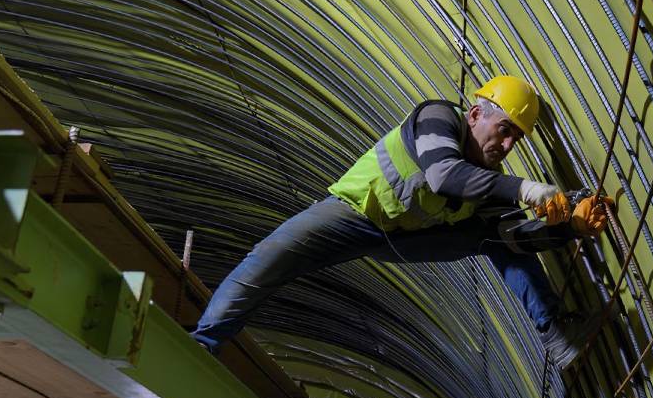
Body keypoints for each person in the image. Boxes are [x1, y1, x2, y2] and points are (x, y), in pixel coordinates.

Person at [191, 75, 612, 369]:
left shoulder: (492, 183)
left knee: (497, 236)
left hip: (406, 239)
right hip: (354, 215)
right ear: (474, 115)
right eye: (504, 129)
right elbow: (443, 174)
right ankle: (203, 345)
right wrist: (527, 189)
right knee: (271, 258)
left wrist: (568, 228)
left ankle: (556, 333)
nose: (506, 144)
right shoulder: (436, 117)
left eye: (515, 138)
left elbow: (516, 238)